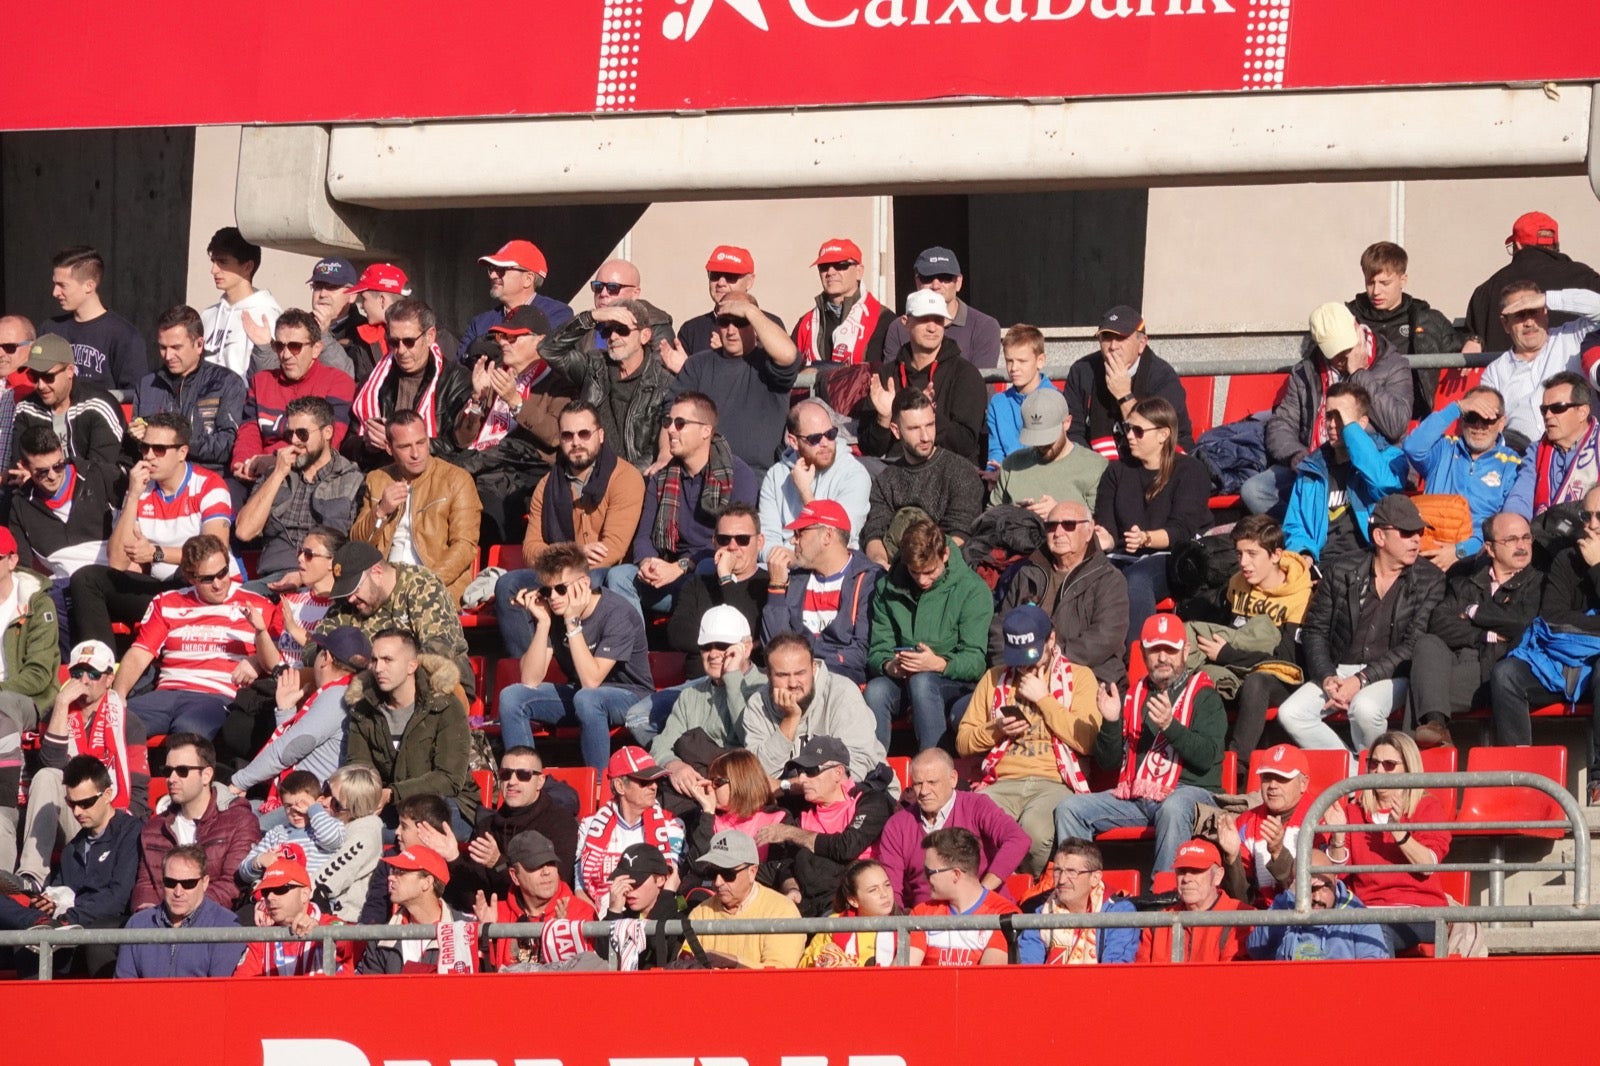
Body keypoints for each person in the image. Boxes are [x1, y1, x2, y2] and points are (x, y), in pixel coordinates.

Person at [1053, 613, 1226, 874]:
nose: (1163, 657)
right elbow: (1109, 763)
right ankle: (1080, 891)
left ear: (1185, 651)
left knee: (1174, 806)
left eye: (1171, 649)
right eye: (1155, 650)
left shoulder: (1204, 694)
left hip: (1191, 792)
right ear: (1143, 653)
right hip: (1136, 795)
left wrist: (1171, 726)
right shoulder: (1133, 697)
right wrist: (1111, 722)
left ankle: (1163, 897)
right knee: (1070, 808)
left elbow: (1206, 758)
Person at [1279, 494, 1446, 753]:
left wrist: (1362, 679)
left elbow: (1414, 644)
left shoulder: (1430, 579)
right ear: (1380, 537)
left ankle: (1374, 778)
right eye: (1406, 532)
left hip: (1394, 674)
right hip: (1339, 671)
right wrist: (1326, 677)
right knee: (1291, 713)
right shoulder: (1341, 569)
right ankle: (1355, 774)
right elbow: (1315, 630)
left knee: (1365, 709)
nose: (1416, 539)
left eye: (1419, 532)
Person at [955, 605, 1102, 874]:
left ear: (1051, 640)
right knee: (967, 832)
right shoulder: (995, 678)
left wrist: (1043, 699)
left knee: (1034, 833)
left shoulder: (1080, 677)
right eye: (1018, 658)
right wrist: (997, 729)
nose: (1024, 665)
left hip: (1054, 781)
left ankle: (1027, 897)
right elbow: (963, 742)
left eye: (1032, 655)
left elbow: (1088, 740)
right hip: (1002, 782)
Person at [495, 401, 646, 657]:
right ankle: (532, 667)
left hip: (602, 573)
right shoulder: (547, 485)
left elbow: (613, 550)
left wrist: (561, 565)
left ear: (600, 435)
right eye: (567, 435)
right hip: (559, 573)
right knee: (508, 584)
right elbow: (530, 550)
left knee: (593, 580)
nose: (576, 442)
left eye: (584, 434)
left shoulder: (625, 477)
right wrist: (576, 551)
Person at [71, 412, 233, 646]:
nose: (148, 456)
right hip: (162, 590)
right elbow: (117, 562)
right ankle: (98, 664)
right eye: (145, 448)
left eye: (159, 449)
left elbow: (215, 552)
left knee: (187, 573)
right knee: (86, 579)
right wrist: (134, 495)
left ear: (182, 453)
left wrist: (156, 553)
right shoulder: (140, 487)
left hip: (202, 586)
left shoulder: (209, 486)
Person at [1247, 300, 1413, 515]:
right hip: (1319, 461)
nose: (1343, 357)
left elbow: (1396, 425)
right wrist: (1295, 454)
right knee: (1255, 490)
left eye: (1346, 347)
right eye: (1335, 352)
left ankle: (1334, 530)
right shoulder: (1306, 372)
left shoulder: (1392, 364)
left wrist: (1360, 374)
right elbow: (1282, 423)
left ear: (1356, 328)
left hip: (1368, 462)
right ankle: (1308, 532)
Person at [498, 542, 653, 771]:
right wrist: (543, 623)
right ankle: (525, 778)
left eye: (561, 589)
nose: (553, 597)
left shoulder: (617, 613)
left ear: (584, 584)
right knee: (512, 697)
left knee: (588, 698)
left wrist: (572, 622)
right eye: (546, 590)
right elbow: (530, 680)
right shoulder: (555, 613)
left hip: (631, 695)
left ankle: (598, 786)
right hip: (581, 694)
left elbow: (592, 681)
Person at [114, 534, 276, 740]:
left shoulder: (258, 604)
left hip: (215, 696)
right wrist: (117, 696)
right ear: (191, 578)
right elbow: (139, 654)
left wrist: (257, 662)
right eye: (207, 579)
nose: (218, 584)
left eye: (223, 573)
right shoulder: (168, 602)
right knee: (112, 723)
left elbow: (279, 657)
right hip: (166, 693)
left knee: (189, 732)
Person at [609, 392, 758, 617]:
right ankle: (634, 650)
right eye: (668, 422)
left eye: (680, 424)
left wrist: (681, 567)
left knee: (709, 568)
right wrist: (649, 563)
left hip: (713, 574)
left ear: (706, 430)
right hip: (670, 574)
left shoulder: (739, 475)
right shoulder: (661, 478)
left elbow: (733, 544)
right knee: (619, 577)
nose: (670, 430)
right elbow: (644, 537)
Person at [14, 641, 146, 892]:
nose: (84, 680)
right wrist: (62, 705)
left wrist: (118, 832)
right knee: (46, 777)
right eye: (77, 673)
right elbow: (52, 765)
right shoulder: (56, 713)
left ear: (109, 678)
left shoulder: (130, 722)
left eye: (93, 674)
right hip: (71, 815)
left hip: (110, 818)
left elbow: (139, 790)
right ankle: (32, 877)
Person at [1489, 485, 1600, 772]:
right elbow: (1552, 618)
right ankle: (1517, 777)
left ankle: (1599, 778)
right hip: (1557, 659)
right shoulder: (1567, 558)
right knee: (1506, 675)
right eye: (1586, 516)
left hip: (1594, 668)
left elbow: (1564, 620)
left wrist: (1597, 567)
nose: (1591, 525)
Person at [0, 755, 141, 977]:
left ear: (107, 795)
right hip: (67, 929)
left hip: (102, 925)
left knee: (89, 937)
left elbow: (118, 896)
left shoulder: (132, 833)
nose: (77, 812)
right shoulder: (72, 849)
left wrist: (69, 918)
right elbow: (59, 890)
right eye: (71, 803)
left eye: (85, 803)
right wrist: (47, 903)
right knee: (26, 935)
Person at [1412, 511, 1540, 748]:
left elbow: (1521, 623)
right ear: (1490, 549)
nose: (1521, 546)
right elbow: (1439, 622)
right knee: (1427, 645)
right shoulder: (1467, 579)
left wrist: (1472, 612)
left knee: (1420, 690)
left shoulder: (1539, 582)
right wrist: (1483, 634)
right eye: (1511, 540)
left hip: (1501, 671)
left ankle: (1424, 759)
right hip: (1464, 661)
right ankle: (1434, 730)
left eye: (1526, 538)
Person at [865, 518, 993, 751]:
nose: (922, 580)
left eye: (930, 572)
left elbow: (975, 660)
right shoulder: (887, 588)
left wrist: (938, 664)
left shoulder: (972, 590)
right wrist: (888, 665)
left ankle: (933, 764)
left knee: (923, 683)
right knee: (876, 691)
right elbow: (877, 648)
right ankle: (873, 771)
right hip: (903, 681)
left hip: (952, 683)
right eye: (915, 572)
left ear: (944, 555)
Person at [1093, 396, 1212, 644]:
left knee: (1136, 580)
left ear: (1163, 434)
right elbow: (1108, 530)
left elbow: (1182, 531)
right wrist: (1100, 538)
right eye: (1127, 429)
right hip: (1122, 556)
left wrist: (1145, 538)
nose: (1129, 436)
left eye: (1138, 431)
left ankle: (1136, 660)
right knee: (1087, 576)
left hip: (1170, 558)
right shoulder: (1116, 471)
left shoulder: (1190, 471)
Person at [453, 304, 576, 544]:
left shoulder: (558, 380)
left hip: (522, 471)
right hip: (479, 463)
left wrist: (515, 401)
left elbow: (555, 435)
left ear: (539, 340)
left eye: (512, 336)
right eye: (501, 336)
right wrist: (477, 400)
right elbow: (462, 439)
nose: (503, 343)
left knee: (484, 499)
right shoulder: (497, 374)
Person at [1323, 731, 1454, 953]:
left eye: (1389, 764)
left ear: (1408, 768)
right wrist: (1337, 838)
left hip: (1419, 912)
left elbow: (1428, 865)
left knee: (1374, 931)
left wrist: (1399, 833)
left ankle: (1379, 987)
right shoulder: (1353, 812)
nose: (1379, 771)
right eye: (1373, 763)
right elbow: (1336, 877)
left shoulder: (1426, 808)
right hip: (1365, 910)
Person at [1195, 515, 1314, 757]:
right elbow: (1228, 631)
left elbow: (1287, 660)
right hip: (1235, 669)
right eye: (1239, 554)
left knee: (1257, 682)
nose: (1244, 563)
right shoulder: (1237, 583)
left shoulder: (1300, 595)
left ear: (1276, 555)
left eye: (1252, 554)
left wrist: (1227, 654)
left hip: (1281, 679)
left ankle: (1236, 764)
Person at [343, 628, 477, 834]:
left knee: (401, 837)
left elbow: (449, 779)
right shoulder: (364, 710)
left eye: (388, 660)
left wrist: (393, 793)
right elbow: (359, 767)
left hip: (446, 804)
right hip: (391, 805)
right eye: (374, 660)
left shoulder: (444, 706)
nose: (378, 668)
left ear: (411, 665)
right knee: (344, 835)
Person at [990, 497, 1128, 685]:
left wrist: (1048, 659)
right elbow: (1001, 627)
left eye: (1069, 525)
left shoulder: (1109, 579)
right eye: (1051, 526)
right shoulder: (1027, 572)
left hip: (1085, 678)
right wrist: (1009, 668)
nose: (1058, 532)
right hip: (1021, 674)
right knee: (962, 708)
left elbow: (1104, 639)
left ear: (1089, 531)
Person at [349, 409, 481, 606]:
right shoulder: (377, 480)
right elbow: (358, 545)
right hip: (385, 583)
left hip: (437, 585)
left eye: (421, 442)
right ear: (389, 448)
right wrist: (381, 511)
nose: (416, 453)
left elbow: (465, 546)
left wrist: (425, 583)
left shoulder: (456, 479)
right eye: (405, 446)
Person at [228, 626, 370, 803]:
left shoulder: (337, 696)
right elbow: (305, 750)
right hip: (300, 798)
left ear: (326, 658)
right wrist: (286, 712)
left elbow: (290, 750)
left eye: (318, 652)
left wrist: (238, 783)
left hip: (308, 808)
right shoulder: (345, 693)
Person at [759, 735, 897, 917]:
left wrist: (791, 833)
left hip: (856, 906)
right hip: (808, 904)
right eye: (800, 771)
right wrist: (791, 888)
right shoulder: (804, 811)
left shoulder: (870, 801)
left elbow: (847, 846)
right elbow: (786, 863)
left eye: (811, 771)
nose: (801, 779)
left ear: (838, 773)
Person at [314, 541, 473, 698]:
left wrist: (376, 667)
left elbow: (438, 650)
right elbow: (314, 647)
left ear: (376, 572)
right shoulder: (351, 602)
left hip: (434, 687)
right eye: (346, 592)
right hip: (370, 686)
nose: (350, 599)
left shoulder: (421, 585)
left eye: (354, 589)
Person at [1281, 379, 1410, 572]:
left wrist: (1351, 432)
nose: (1332, 425)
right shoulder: (1311, 468)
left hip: (1369, 564)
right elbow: (1295, 524)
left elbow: (1383, 485)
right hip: (1321, 566)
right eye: (1329, 416)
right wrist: (1304, 553)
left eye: (1341, 417)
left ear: (1362, 423)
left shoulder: (1391, 457)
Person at [875, 748, 1030, 908]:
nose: (924, 791)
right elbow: (892, 889)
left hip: (987, 915)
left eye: (932, 782)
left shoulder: (977, 806)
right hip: (927, 923)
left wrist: (981, 893)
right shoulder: (897, 825)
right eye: (918, 784)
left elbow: (1018, 839)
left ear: (953, 779)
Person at [234, 396, 364, 584]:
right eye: (290, 434)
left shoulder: (351, 479)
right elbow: (244, 531)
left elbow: (349, 546)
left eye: (302, 434)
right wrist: (278, 474)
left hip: (325, 581)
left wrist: (302, 578)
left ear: (327, 432)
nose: (294, 441)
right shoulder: (276, 472)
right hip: (272, 578)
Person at [743, 631, 892, 788]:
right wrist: (790, 720)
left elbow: (854, 769)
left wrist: (788, 786)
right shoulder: (758, 704)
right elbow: (758, 775)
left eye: (800, 673)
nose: (793, 683)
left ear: (814, 668)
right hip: (790, 800)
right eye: (783, 675)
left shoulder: (842, 693)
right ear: (768, 675)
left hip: (857, 794)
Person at [540, 298, 676, 470]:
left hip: (634, 479)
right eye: (607, 330)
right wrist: (591, 316)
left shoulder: (663, 382)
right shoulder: (594, 366)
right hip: (586, 470)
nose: (613, 337)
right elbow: (548, 349)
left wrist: (621, 478)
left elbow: (655, 449)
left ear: (645, 335)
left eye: (622, 330)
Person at [130, 733, 261, 912]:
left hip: (214, 925)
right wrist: (151, 917)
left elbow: (232, 885)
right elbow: (146, 885)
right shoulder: (154, 828)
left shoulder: (240, 821)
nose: (172, 779)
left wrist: (180, 914)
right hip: (160, 927)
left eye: (182, 771)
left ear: (206, 775)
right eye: (167, 771)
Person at [857, 288, 987, 465]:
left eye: (938, 320)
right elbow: (870, 449)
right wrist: (884, 419)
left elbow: (965, 444)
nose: (932, 328)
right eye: (924, 319)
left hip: (948, 471)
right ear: (906, 322)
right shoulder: (886, 376)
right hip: (896, 471)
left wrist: (928, 416)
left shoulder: (965, 374)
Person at [670, 294, 799, 473]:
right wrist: (663, 455)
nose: (731, 330)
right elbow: (671, 414)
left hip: (759, 477)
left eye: (740, 322)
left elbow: (788, 355)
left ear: (755, 326)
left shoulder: (768, 363)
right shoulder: (697, 364)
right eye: (724, 322)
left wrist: (750, 311)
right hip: (705, 475)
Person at [762, 499, 881, 685]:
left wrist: (809, 665)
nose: (793, 540)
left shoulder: (869, 580)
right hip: (794, 681)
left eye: (800, 532)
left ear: (827, 536)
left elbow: (861, 653)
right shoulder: (794, 578)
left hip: (843, 685)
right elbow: (773, 647)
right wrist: (776, 586)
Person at [861, 390, 984, 567]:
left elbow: (960, 535)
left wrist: (920, 568)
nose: (925, 436)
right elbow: (874, 532)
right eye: (914, 428)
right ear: (896, 430)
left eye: (930, 425)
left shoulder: (960, 472)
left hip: (944, 568)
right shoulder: (886, 481)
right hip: (893, 568)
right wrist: (880, 563)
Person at [346, 298, 474, 469]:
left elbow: (459, 445)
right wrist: (366, 445)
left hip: (434, 477)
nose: (401, 351)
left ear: (430, 337)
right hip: (381, 475)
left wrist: (399, 442)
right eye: (393, 342)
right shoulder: (373, 382)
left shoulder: (456, 379)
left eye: (409, 342)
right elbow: (348, 445)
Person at [231, 309, 357, 483]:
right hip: (258, 473)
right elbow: (249, 431)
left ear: (316, 349)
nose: (286, 354)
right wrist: (244, 462)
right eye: (279, 346)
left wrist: (276, 462)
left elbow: (328, 442)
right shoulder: (261, 381)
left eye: (295, 346)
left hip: (310, 477)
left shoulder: (338, 382)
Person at [645, 606, 765, 788]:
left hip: (745, 790)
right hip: (697, 789)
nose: (714, 654)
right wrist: (675, 766)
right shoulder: (690, 696)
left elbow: (752, 741)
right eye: (706, 647)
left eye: (723, 646)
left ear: (746, 648)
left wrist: (732, 679)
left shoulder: (766, 688)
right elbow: (661, 745)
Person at [1346, 241, 1467, 417]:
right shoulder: (1348, 317)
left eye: (1384, 283)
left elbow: (1461, 345)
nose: (1376, 291)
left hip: (1413, 420)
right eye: (1370, 283)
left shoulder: (1426, 318)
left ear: (1403, 280)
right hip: (1361, 418)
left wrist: (1475, 341)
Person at [1403, 384, 1521, 563]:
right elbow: (1412, 446)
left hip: (1478, 557)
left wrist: (1461, 551)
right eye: (1472, 416)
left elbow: (1506, 524)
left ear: (1502, 423)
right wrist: (1456, 407)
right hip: (1428, 550)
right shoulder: (1444, 448)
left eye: (1489, 419)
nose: (1479, 426)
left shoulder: (1512, 465)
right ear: (1462, 419)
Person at [1063, 304, 1194, 463]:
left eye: (1121, 338)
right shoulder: (1082, 371)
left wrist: (1124, 395)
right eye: (1106, 337)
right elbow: (1073, 432)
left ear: (1142, 343)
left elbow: (1156, 439)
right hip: (1095, 467)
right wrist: (1094, 469)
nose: (1113, 346)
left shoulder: (1163, 377)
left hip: (1155, 464)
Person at [448, 746, 580, 904]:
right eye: (505, 774)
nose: (511, 782)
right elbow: (474, 897)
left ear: (540, 781)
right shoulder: (488, 825)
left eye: (523, 775)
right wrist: (453, 858)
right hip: (495, 919)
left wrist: (498, 863)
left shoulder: (560, 822)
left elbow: (551, 890)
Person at [128, 304, 247, 476]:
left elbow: (227, 445)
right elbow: (137, 450)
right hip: (155, 480)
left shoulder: (227, 383)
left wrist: (175, 441)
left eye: (176, 347)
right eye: (162, 347)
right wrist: (136, 437)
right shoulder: (148, 385)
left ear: (199, 344)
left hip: (208, 477)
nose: (168, 356)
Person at [1478, 283, 1600, 447]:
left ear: (1545, 311)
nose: (1529, 322)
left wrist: (1547, 298)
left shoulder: (1572, 337)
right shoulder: (1494, 372)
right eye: (1520, 315)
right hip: (1523, 461)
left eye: (1534, 311)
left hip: (1584, 455)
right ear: (1505, 323)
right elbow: (1489, 428)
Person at [1465, 211, 1600, 354]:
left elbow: (1471, 338)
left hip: (1509, 371)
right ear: (1555, 244)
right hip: (1578, 372)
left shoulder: (1486, 291)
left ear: (1518, 244)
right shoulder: (1586, 278)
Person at [663, 503, 768, 680]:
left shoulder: (770, 584)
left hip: (746, 685)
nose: (732, 547)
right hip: (698, 685)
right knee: (640, 709)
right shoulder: (697, 585)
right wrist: (735, 643)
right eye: (724, 539)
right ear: (714, 542)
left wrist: (726, 578)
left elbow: (751, 628)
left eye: (742, 539)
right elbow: (677, 634)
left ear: (759, 542)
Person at [7, 425, 115, 596]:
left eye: (58, 466)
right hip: (64, 590)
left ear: (62, 452)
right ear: (25, 467)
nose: (52, 475)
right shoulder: (21, 504)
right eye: (42, 472)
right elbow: (23, 569)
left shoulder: (97, 475)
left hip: (111, 578)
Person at [759, 399, 872, 557]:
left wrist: (805, 492)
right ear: (794, 442)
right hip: (786, 568)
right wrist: (789, 562)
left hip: (834, 573)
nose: (825, 443)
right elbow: (766, 540)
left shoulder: (854, 474)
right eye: (815, 438)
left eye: (830, 434)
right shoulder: (775, 476)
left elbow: (836, 539)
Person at [473, 830, 597, 970]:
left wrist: (560, 941)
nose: (546, 872)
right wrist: (486, 937)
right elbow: (484, 980)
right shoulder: (497, 914)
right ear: (514, 876)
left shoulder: (581, 913)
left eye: (551, 863)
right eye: (536, 866)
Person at [575, 746, 685, 902]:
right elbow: (580, 889)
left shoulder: (672, 826)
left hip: (652, 918)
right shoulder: (589, 826)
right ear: (620, 786)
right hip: (601, 919)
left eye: (655, 780)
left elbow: (670, 884)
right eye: (644, 781)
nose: (654, 786)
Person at [683, 828, 805, 968]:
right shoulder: (700, 914)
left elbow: (780, 976)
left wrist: (733, 963)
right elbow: (685, 967)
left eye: (728, 874)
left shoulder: (782, 911)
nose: (718, 882)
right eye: (712, 873)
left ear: (752, 872)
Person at [116, 844, 243, 978]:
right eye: (170, 882)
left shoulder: (226, 926)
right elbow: (123, 989)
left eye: (188, 884)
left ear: (205, 882)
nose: (178, 892)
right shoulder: (138, 924)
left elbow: (222, 993)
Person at [1216, 742, 1316, 906]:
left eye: (1282, 778)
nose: (1272, 786)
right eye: (1267, 778)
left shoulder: (1320, 816)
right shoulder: (1244, 823)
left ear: (1303, 783)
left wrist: (1278, 853)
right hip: (1260, 921)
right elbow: (1240, 900)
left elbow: (1318, 892)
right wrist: (1232, 859)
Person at [1245, 852, 1392, 961]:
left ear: (1335, 880)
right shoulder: (1286, 905)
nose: (1316, 897)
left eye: (1324, 887)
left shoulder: (1359, 918)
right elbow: (1255, 950)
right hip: (1290, 995)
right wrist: (1289, 897)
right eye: (1307, 889)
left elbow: (1373, 975)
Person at [906, 826, 1020, 967]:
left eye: (929, 872)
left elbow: (988, 980)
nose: (924, 877)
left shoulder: (1003, 915)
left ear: (956, 874)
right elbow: (901, 975)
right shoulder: (922, 914)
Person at [12, 332, 125, 473]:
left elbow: (100, 473)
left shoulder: (99, 405)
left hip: (92, 491)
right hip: (38, 490)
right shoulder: (26, 408)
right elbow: (19, 465)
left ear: (70, 371)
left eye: (48, 376)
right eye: (34, 376)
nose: (40, 385)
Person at [356, 845, 479, 974]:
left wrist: (490, 942)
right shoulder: (380, 939)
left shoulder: (466, 930)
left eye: (401, 872)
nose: (390, 877)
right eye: (393, 871)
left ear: (426, 882)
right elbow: (371, 991)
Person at [41, 245, 148, 391]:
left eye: (62, 285)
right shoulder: (50, 329)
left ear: (89, 286)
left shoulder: (125, 336)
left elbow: (135, 396)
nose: (55, 292)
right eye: (55, 284)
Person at [1016, 838, 1139, 965]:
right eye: (1057, 871)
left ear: (1095, 878)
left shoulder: (1120, 912)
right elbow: (1028, 968)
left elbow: (1115, 971)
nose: (1062, 880)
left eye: (1072, 872)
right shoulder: (1041, 912)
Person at [882, 246, 1003, 370]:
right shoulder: (899, 327)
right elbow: (890, 381)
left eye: (944, 278)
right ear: (917, 282)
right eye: (927, 278)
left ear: (959, 282)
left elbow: (981, 384)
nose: (935, 285)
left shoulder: (984, 327)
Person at [1504, 371, 1600, 526]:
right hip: (1543, 538)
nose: (1548, 415)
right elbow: (1520, 498)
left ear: (1582, 412)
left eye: (1557, 408)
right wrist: (1515, 526)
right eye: (1544, 409)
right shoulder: (1536, 451)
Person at [234, 857, 357, 976]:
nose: (270, 898)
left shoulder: (329, 922)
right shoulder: (261, 939)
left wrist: (319, 931)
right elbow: (240, 988)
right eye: (266, 892)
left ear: (304, 894)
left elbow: (347, 939)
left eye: (280, 889)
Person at [992, 386, 1106, 514]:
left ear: (1067, 423)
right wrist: (1016, 517)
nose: (1041, 445)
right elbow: (989, 519)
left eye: (1048, 438)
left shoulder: (1094, 467)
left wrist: (1061, 512)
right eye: (1035, 437)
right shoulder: (1012, 464)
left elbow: (1101, 525)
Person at [456, 239, 577, 360]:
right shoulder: (479, 323)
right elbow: (459, 369)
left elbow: (544, 359)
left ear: (528, 279)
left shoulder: (557, 314)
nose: (493, 275)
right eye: (492, 268)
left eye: (502, 269)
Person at [1135, 839, 1252, 963]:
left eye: (1196, 870)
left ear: (1218, 876)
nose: (1186, 878)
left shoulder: (1242, 918)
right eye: (1182, 871)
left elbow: (1234, 978)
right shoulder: (1157, 924)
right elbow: (1142, 977)